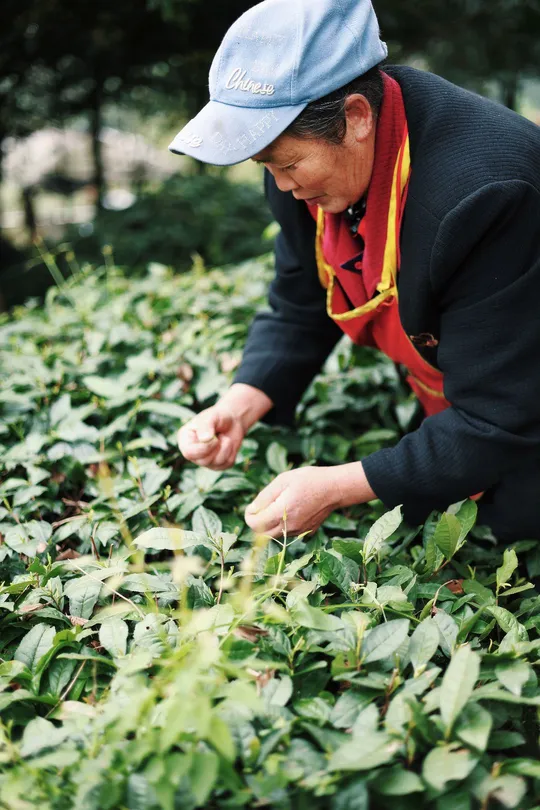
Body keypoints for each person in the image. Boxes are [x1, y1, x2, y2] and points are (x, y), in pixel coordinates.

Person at [171, 0, 540, 542]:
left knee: (510, 528)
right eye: (266, 166)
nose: (282, 184)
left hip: (520, 397)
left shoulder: (485, 196)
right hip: (461, 389)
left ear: (358, 118)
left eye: (289, 164)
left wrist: (339, 485)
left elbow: (502, 415)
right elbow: (302, 297)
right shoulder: (304, 167)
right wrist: (241, 402)